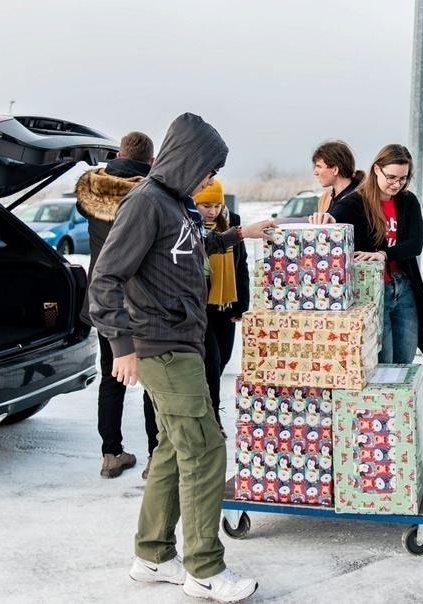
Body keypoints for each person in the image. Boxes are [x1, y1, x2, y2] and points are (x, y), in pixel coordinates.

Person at [88, 112, 274, 602]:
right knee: (206, 450)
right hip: (161, 346)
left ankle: (151, 556)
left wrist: (241, 234)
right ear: (186, 160)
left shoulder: (178, 206)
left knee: (172, 449)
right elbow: (105, 278)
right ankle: (205, 569)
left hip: (183, 342)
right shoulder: (145, 203)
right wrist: (120, 345)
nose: (211, 180)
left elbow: (193, 248)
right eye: (207, 169)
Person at [75, 131, 159, 479]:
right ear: (151, 161)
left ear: (118, 155)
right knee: (153, 381)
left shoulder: (91, 191)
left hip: (104, 298)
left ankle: (111, 454)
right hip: (141, 298)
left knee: (112, 379)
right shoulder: (149, 194)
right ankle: (157, 456)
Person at [310, 143, 423, 364]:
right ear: (376, 169)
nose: (397, 184)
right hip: (374, 292)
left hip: (404, 288)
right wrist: (329, 219)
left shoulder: (407, 200)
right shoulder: (359, 200)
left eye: (403, 178)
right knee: (383, 362)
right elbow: (338, 214)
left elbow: (415, 244)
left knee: (404, 361)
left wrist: (383, 254)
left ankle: (400, 400)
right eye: (392, 177)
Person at [193, 179, 250, 434]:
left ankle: (205, 403)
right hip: (201, 304)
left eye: (217, 205)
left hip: (226, 303)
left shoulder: (233, 221)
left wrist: (242, 304)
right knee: (211, 359)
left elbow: (242, 265)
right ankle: (213, 417)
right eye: (206, 205)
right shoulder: (190, 225)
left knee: (224, 358)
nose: (212, 211)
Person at [311, 140, 365, 214]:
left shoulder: (362, 198)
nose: (315, 172)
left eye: (319, 167)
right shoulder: (324, 199)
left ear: (335, 169)